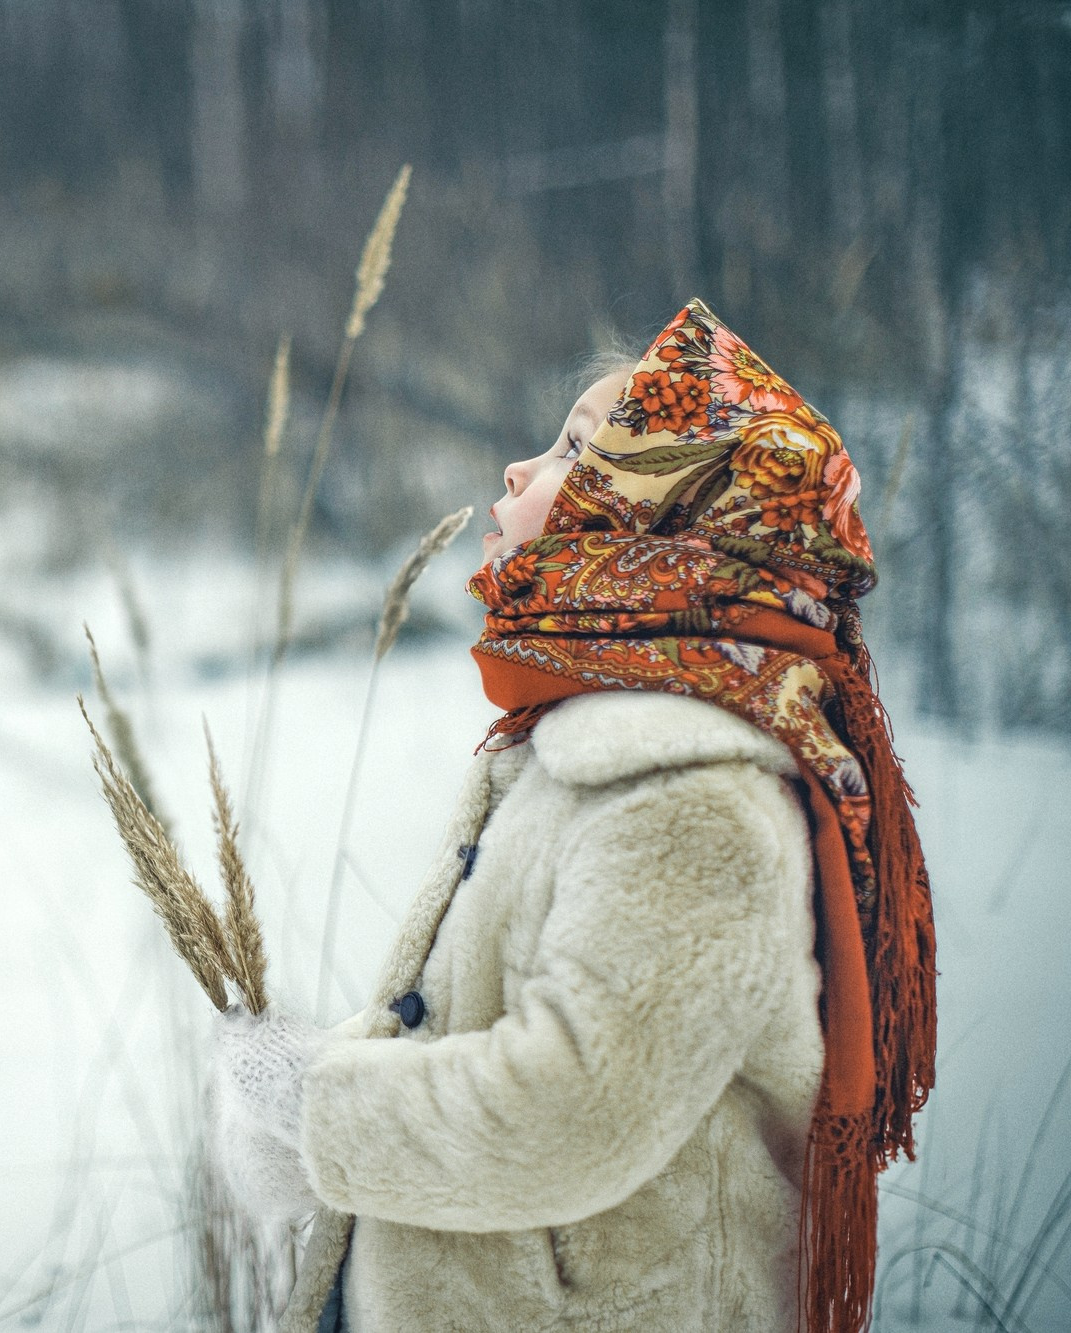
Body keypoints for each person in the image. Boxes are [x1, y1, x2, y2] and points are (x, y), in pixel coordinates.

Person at [209, 300, 937, 1332]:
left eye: (573, 450)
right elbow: (501, 1024)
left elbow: (570, 1109)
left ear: (656, 516)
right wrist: (314, 1107)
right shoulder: (586, 740)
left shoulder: (690, 796)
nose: (516, 470)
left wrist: (318, 1108)